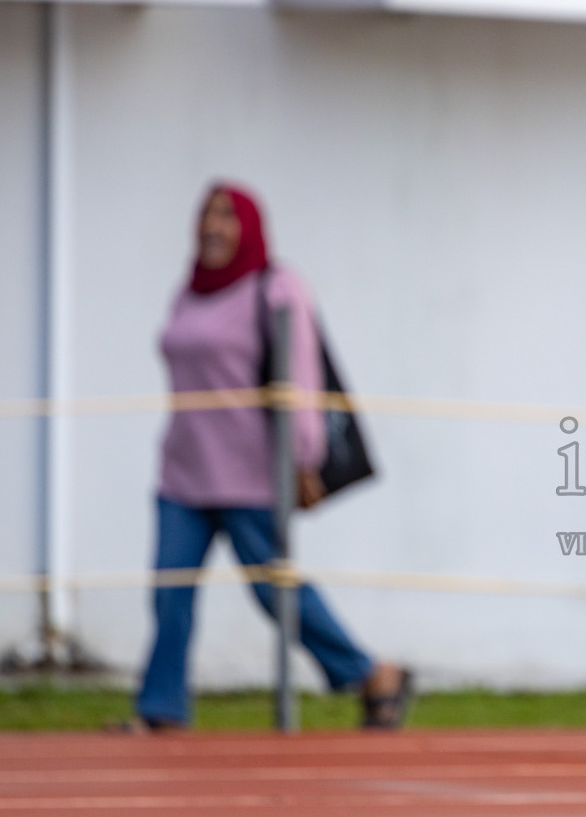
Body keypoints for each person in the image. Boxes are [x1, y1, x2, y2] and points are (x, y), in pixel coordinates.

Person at [134, 183, 411, 731]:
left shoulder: (278, 288)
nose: (212, 226)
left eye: (226, 215)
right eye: (205, 214)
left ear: (250, 226)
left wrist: (303, 459)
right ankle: (162, 710)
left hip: (250, 474)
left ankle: (374, 674)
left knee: (273, 591)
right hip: (183, 472)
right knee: (169, 593)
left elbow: (301, 377)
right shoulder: (187, 293)